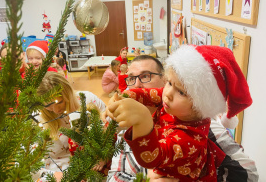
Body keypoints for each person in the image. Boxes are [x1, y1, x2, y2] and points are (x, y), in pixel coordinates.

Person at [107, 45, 254, 181]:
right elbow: (147, 94)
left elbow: (151, 157)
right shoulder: (172, 103)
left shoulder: (191, 136)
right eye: (170, 83)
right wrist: (126, 96)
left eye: (182, 92)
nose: (168, 93)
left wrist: (143, 120)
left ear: (199, 106)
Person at [33, 71, 106, 181]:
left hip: (94, 164)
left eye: (59, 102)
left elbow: (112, 130)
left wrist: (104, 154)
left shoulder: (88, 101)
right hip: (57, 171)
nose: (56, 110)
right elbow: (27, 161)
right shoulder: (38, 119)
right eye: (48, 106)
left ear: (68, 92)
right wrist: (57, 176)